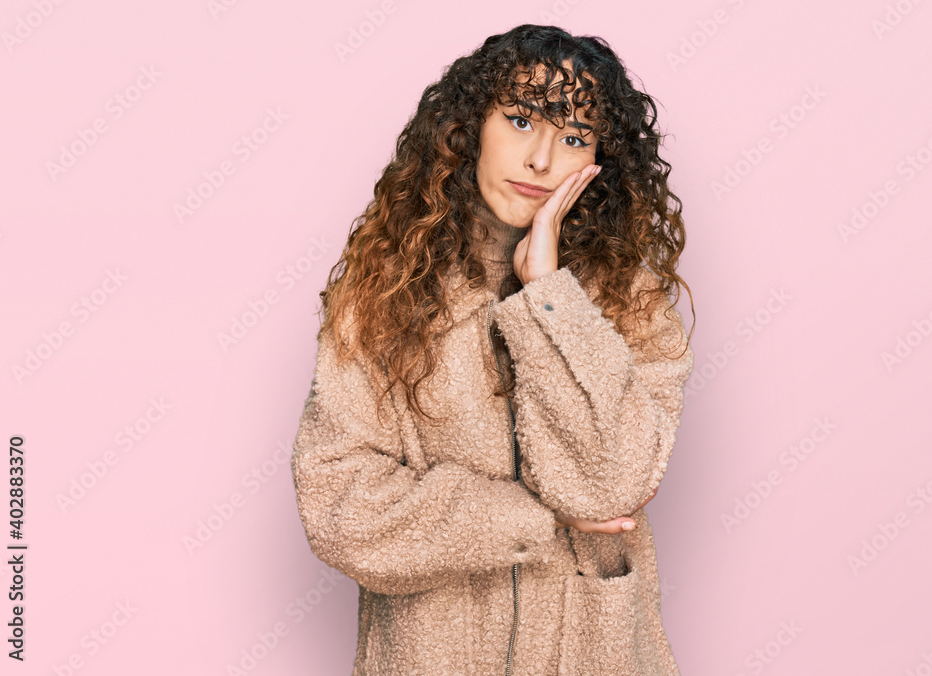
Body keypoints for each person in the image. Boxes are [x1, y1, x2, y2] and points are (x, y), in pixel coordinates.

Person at [290, 23, 695, 676]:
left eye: (574, 137)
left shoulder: (631, 298)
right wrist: (530, 519)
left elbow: (609, 487)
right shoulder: (382, 291)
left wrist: (549, 294)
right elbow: (341, 509)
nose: (541, 160)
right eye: (520, 120)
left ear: (600, 159)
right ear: (471, 126)